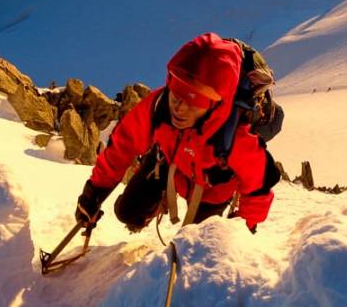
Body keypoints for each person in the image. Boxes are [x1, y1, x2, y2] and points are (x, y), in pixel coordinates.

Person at [75, 33, 277, 234]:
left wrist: (243, 229)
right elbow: (122, 144)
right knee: (127, 212)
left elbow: (259, 188)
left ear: (215, 104)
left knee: (200, 243)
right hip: (167, 163)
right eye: (176, 96)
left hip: (212, 191)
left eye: (193, 102)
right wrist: (93, 193)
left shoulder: (235, 137)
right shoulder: (158, 106)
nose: (179, 108)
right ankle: (156, 202)